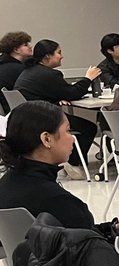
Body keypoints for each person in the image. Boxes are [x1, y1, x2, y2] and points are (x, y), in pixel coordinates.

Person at [0, 100, 119, 255]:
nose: (73, 138)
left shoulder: (7, 184)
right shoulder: (57, 200)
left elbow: (72, 236)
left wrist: (111, 228)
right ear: (47, 139)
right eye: (68, 131)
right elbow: (99, 259)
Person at [14, 39, 102, 173]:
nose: (62, 56)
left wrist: (56, 99)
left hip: (27, 117)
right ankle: (74, 164)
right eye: (59, 52)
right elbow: (73, 93)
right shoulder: (50, 74)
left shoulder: (30, 71)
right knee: (88, 127)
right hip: (41, 119)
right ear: (48, 56)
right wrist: (88, 78)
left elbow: (49, 92)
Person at [0, 31, 33, 110]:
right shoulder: (19, 69)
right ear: (16, 50)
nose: (30, 46)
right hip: (18, 110)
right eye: (26, 45)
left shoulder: (3, 64)